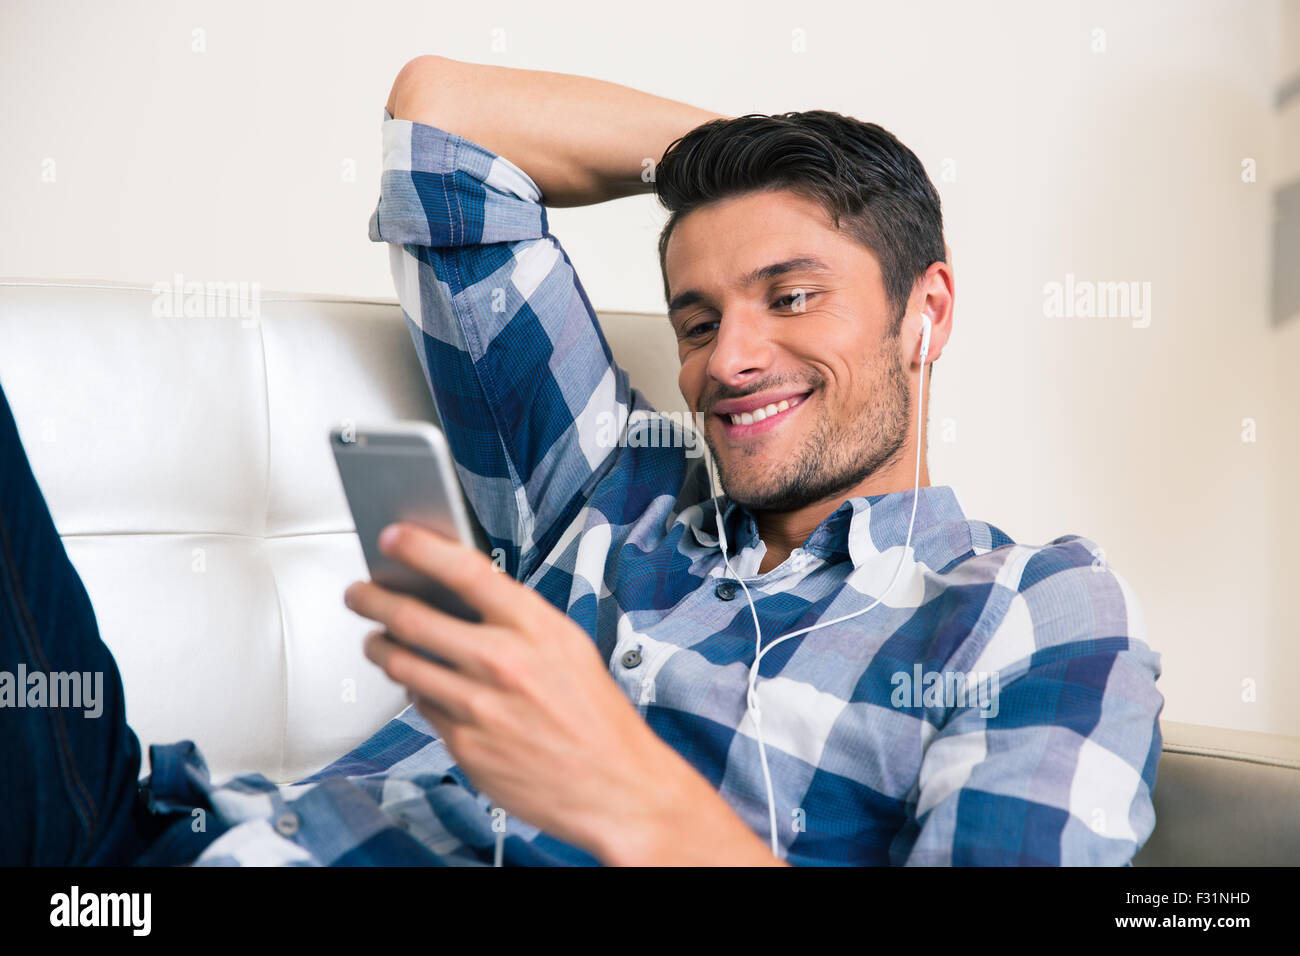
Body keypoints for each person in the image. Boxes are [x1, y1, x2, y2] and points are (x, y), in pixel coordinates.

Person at [0, 55, 1163, 866]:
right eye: (698, 319)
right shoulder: (613, 496)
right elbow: (443, 124)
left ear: (927, 311)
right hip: (141, 846)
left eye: (793, 292)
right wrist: (753, 166)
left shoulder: (1027, 608)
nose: (729, 359)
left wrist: (632, 791)